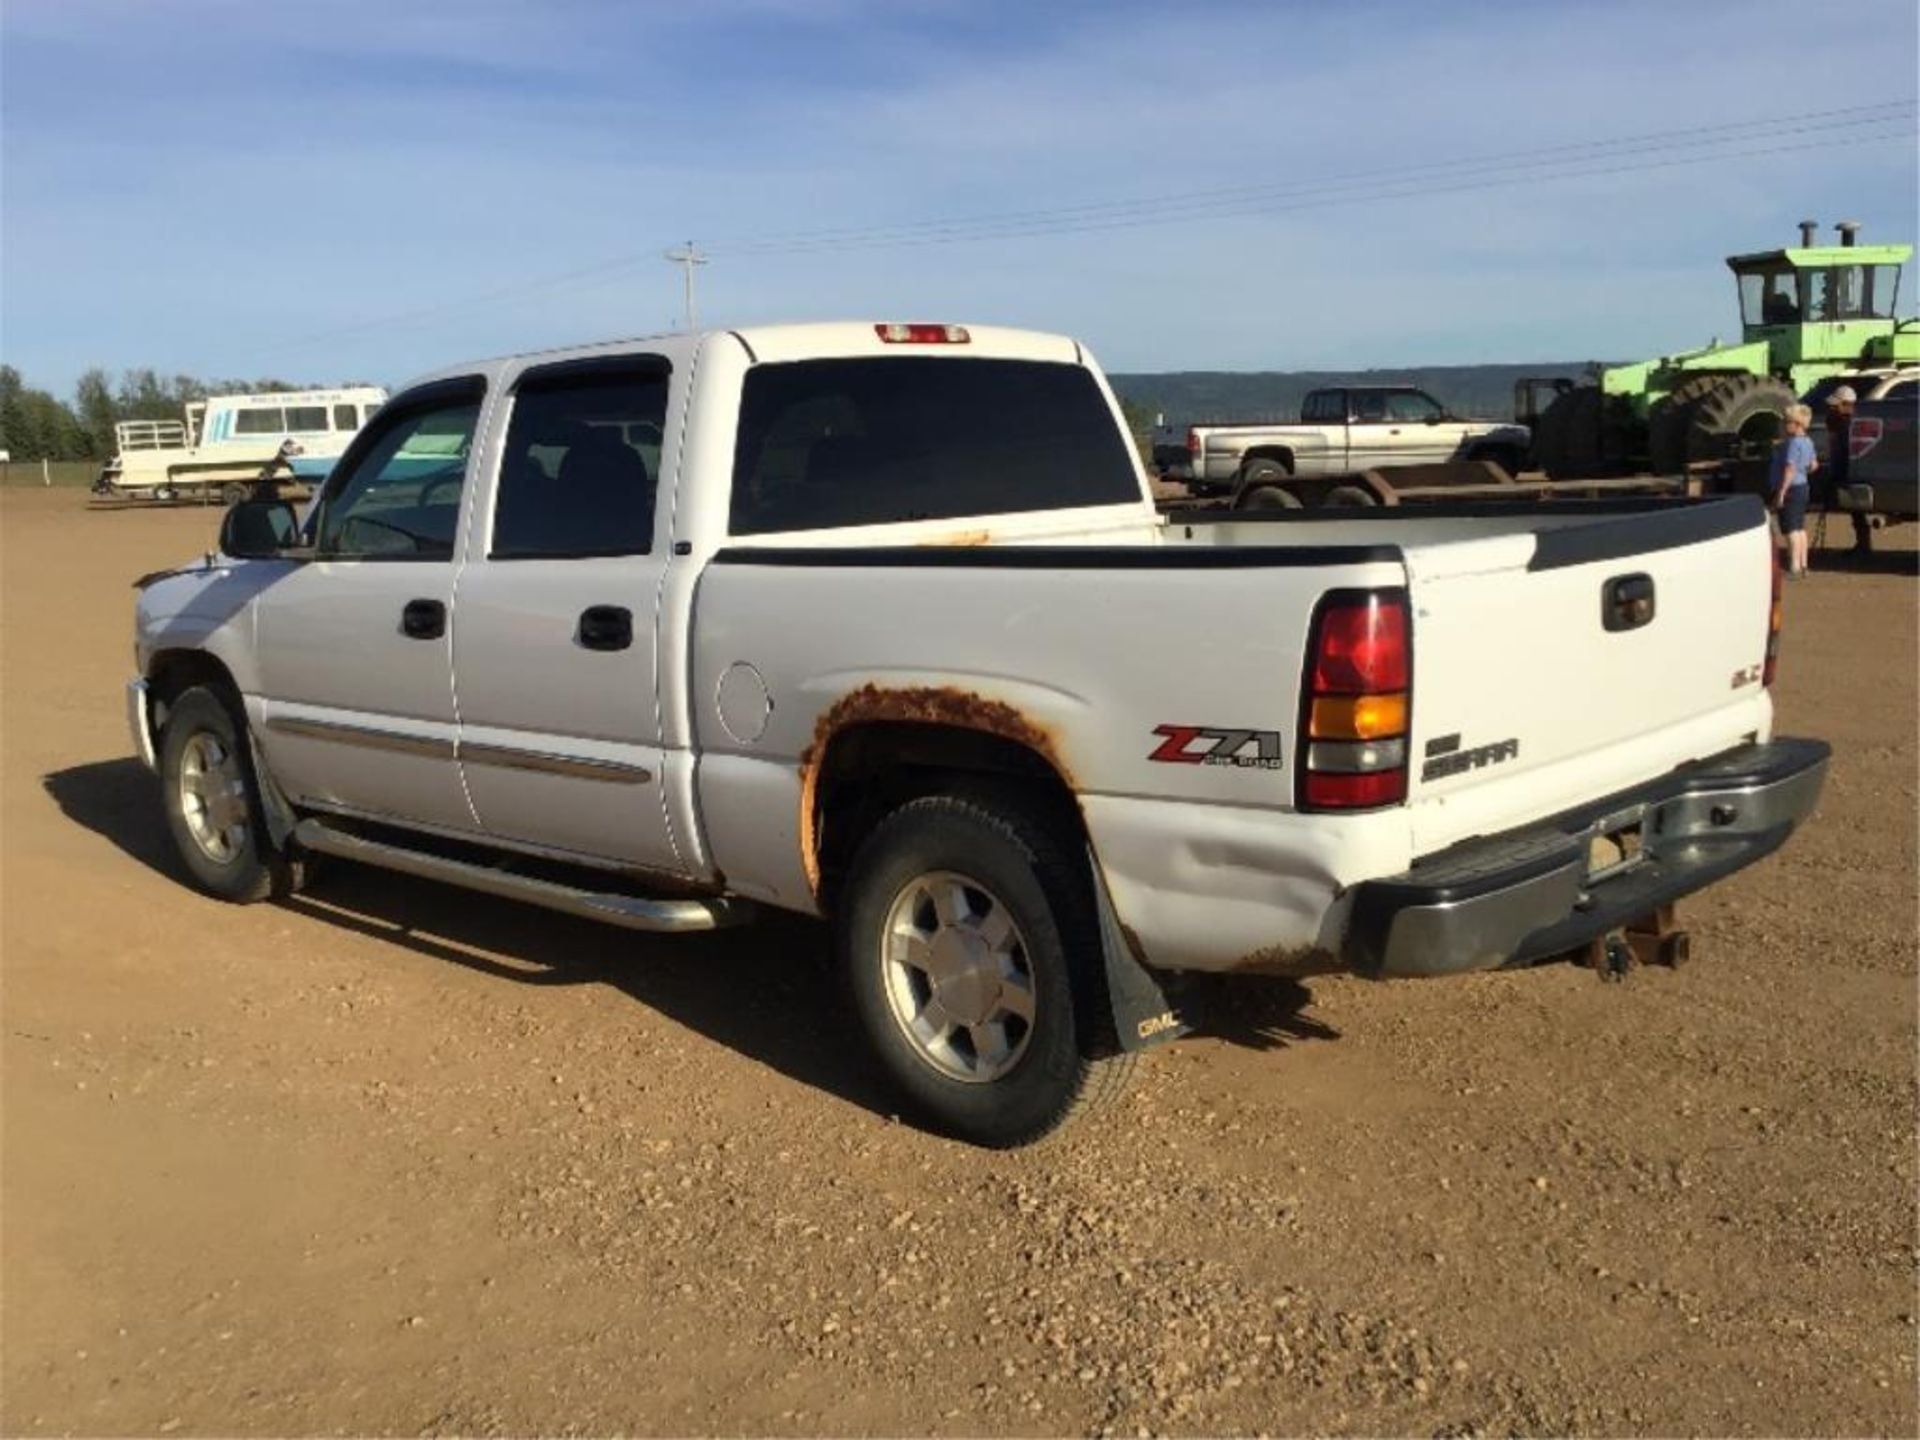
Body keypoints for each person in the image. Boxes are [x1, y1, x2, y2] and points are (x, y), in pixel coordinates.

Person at [1822, 385, 1872, 556]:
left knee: (1857, 511)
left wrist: (1835, 474)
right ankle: (1863, 544)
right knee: (1856, 512)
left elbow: (1844, 453)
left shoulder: (1847, 425)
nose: (1832, 409)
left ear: (1846, 405)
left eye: (1835, 406)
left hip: (1850, 472)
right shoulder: (1843, 423)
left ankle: (1864, 545)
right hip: (1847, 470)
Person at [1770, 403, 1817, 577]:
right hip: (1803, 487)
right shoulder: (1808, 441)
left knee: (1790, 530)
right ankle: (1803, 564)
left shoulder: (1792, 444)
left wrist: (1781, 492)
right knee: (1800, 528)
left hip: (1790, 489)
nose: (1783, 424)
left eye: (1786, 421)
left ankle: (1794, 566)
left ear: (1796, 424)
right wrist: (1802, 471)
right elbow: (1814, 465)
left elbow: (1789, 468)